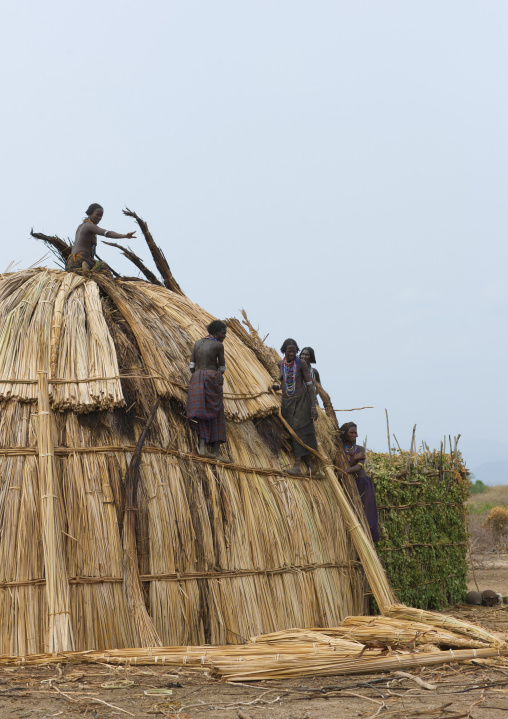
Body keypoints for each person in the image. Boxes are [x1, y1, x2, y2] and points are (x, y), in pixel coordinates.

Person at [187, 320, 231, 462]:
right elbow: (222, 367)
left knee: (201, 412)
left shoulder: (197, 344)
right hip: (212, 377)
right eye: (223, 333)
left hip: (197, 378)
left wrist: (198, 374)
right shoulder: (218, 345)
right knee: (217, 412)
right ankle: (217, 452)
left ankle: (202, 448)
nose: (225, 336)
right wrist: (216, 376)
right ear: (216, 332)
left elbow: (191, 365)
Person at [273, 338, 318, 476]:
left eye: (294, 351)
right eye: (289, 351)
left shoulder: (302, 364)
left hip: (301, 402)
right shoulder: (281, 364)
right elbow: (286, 381)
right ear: (284, 351)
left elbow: (309, 386)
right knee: (290, 431)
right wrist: (278, 386)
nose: (292, 354)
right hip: (287, 403)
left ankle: (297, 466)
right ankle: (311, 466)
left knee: (298, 431)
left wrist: (313, 406)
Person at [66, 203, 136, 275]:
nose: (99, 218)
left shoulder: (80, 226)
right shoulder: (90, 226)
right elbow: (107, 233)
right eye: (97, 215)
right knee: (105, 270)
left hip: (71, 262)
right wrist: (124, 235)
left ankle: (86, 266)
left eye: (101, 216)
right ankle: (86, 265)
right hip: (82, 258)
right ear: (90, 213)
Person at [340, 422, 380, 542]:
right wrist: (353, 459)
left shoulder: (360, 449)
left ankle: (368, 539)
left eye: (355, 433)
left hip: (363, 484)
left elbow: (359, 467)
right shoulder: (340, 449)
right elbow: (350, 464)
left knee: (366, 511)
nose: (354, 435)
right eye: (351, 433)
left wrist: (342, 472)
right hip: (349, 485)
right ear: (345, 434)